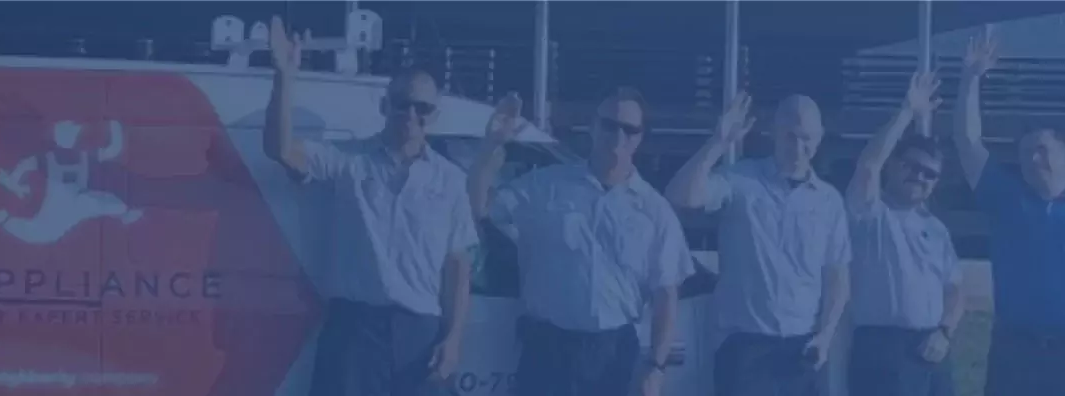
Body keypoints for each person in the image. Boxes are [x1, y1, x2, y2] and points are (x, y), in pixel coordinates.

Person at [259, 18, 477, 396]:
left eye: (422, 107)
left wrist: (454, 338)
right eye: (401, 104)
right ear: (384, 106)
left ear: (434, 115)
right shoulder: (349, 162)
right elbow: (280, 150)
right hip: (354, 331)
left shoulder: (451, 180)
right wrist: (284, 76)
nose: (410, 115)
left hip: (422, 336)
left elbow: (458, 265)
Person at [948, 25, 1065, 396]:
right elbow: (967, 141)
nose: (1034, 158)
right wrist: (971, 78)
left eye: (1043, 149)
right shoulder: (1004, 199)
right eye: (1026, 151)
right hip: (1012, 351)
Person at [487, 87, 692, 396]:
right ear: (593, 127)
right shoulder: (545, 185)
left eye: (629, 129)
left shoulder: (655, 210)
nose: (618, 136)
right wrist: (491, 148)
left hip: (612, 355)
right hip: (546, 349)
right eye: (610, 125)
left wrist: (657, 366)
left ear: (640, 138)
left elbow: (666, 294)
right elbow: (480, 208)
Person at [668, 79, 860, 396]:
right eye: (790, 136)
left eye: (807, 138)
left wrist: (825, 336)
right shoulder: (741, 181)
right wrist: (717, 142)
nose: (799, 148)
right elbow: (679, 195)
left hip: (804, 350)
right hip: (745, 349)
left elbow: (837, 276)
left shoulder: (830, 201)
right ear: (773, 132)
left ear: (820, 138)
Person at [843, 63, 960, 396]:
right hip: (882, 349)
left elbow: (954, 290)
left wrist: (945, 332)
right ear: (893, 165)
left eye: (930, 174)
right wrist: (907, 110)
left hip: (933, 350)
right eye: (912, 167)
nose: (919, 177)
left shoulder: (937, 229)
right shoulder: (869, 212)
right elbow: (868, 164)